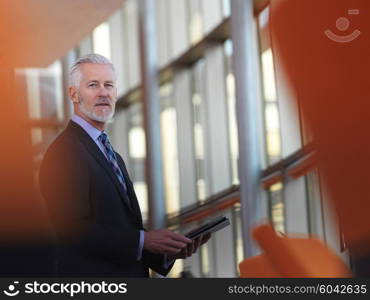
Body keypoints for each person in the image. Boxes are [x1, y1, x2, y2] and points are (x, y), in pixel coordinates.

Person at [39, 54, 209, 277]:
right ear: (74, 94)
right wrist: (143, 239)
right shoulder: (64, 151)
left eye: (108, 85)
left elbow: (120, 231)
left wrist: (166, 251)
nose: (103, 92)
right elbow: (71, 231)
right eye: (93, 85)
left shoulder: (111, 155)